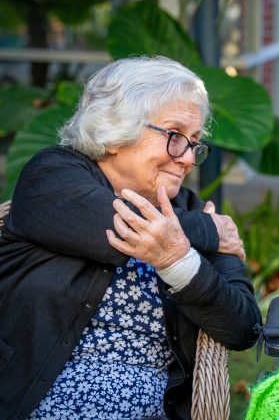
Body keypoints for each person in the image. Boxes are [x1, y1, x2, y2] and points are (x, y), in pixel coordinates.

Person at [0, 56, 262, 420]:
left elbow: (244, 326)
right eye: (174, 135)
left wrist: (179, 264)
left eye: (194, 143)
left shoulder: (189, 207)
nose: (187, 157)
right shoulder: (52, 176)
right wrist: (212, 231)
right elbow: (117, 228)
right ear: (114, 130)